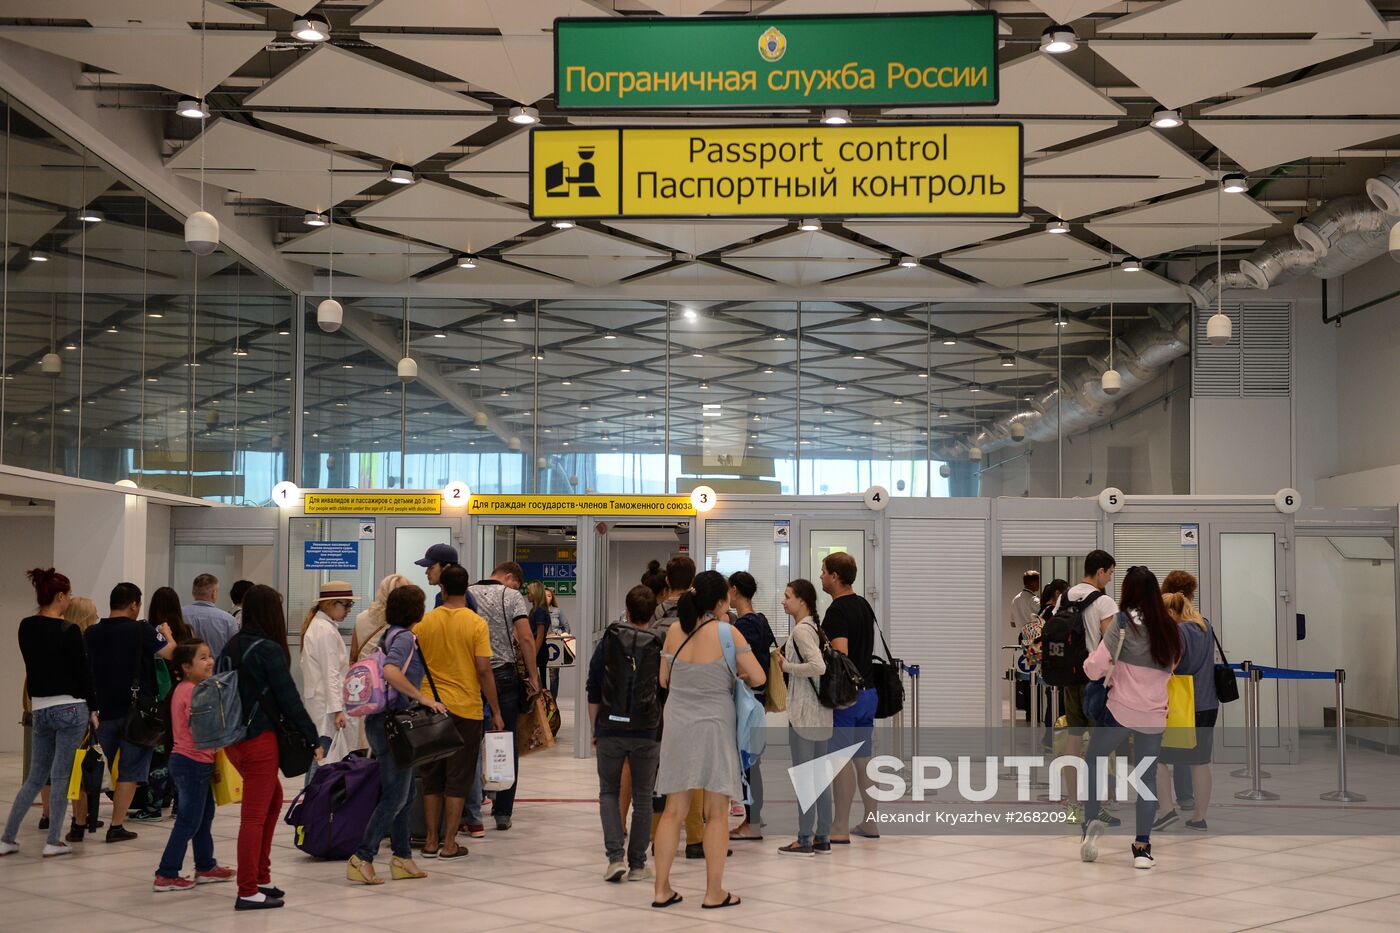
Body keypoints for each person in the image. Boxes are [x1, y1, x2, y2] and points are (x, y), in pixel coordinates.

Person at [652, 570, 765, 910]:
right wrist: (735, 674)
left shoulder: (674, 632)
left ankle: (661, 889)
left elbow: (663, 680)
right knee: (716, 814)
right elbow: (758, 677)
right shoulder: (727, 633)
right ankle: (714, 892)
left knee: (673, 811)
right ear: (719, 601)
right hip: (715, 726)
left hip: (677, 725)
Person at [222, 585, 322, 910]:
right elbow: (288, 698)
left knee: (274, 799)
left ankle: (261, 877)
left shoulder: (232, 645)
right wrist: (312, 736)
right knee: (253, 815)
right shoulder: (268, 649)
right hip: (258, 741)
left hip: (234, 740)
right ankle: (247, 888)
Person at [1080, 566, 1181, 870]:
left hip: (1120, 712)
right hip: (1153, 715)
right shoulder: (1170, 626)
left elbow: (1096, 666)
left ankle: (1091, 820)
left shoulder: (1123, 623)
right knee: (1147, 779)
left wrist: (1092, 667)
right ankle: (1142, 847)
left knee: (1094, 758)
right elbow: (1175, 662)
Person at [348, 584, 444, 885]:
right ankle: (362, 857)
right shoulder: (403, 637)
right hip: (393, 724)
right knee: (395, 796)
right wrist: (423, 698)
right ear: (416, 610)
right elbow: (390, 671)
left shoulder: (388, 633)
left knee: (406, 792)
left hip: (382, 721)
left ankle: (402, 857)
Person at [1, 569, 96, 859]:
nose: (68, 601)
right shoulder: (70, 632)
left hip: (40, 708)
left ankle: (7, 838)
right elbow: (83, 676)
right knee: (61, 774)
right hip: (70, 708)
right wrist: (93, 709)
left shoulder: (25, 626)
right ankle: (53, 840)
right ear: (59, 596)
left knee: (36, 776)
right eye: (67, 596)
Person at [412, 566, 503, 861]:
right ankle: (450, 843)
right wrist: (497, 711)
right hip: (466, 709)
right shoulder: (476, 624)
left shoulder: (424, 623)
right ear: (466, 590)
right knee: (459, 778)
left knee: (431, 777)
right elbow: (483, 670)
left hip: (430, 709)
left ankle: (429, 841)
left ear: (443, 590)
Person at [85, 581, 174, 844]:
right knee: (130, 771)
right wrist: (167, 634)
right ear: (134, 604)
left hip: (101, 712)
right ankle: (116, 825)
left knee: (93, 768)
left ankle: (82, 822)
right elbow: (172, 654)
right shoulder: (141, 630)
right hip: (136, 713)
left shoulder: (91, 633)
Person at [588, 584, 662, 883]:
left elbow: (593, 686)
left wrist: (596, 727)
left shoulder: (608, 641)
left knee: (608, 791)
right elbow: (665, 688)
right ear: (652, 612)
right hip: (646, 729)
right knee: (643, 798)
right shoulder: (659, 642)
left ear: (627, 610)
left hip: (610, 726)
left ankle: (614, 858)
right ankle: (638, 864)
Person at [153, 640, 236, 891]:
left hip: (192, 761)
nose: (210, 661)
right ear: (186, 667)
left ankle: (205, 866)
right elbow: (206, 725)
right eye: (202, 658)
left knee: (204, 815)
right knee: (189, 821)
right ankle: (166, 873)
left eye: (209, 656)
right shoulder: (192, 691)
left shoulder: (186, 688)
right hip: (192, 762)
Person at [466, 561, 540, 833]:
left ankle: (471, 808)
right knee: (504, 741)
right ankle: (502, 811)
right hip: (502, 676)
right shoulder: (511, 596)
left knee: (471, 743)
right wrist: (533, 676)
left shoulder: (466, 592)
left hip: (470, 677)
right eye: (517, 584)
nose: (517, 589)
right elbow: (526, 638)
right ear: (509, 577)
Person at [820, 551, 882, 842]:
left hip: (847, 696)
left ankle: (840, 827)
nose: (821, 576)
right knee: (863, 758)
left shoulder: (837, 610)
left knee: (841, 759)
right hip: (869, 693)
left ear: (834, 576)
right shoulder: (864, 605)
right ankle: (871, 823)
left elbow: (841, 654)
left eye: (823, 572)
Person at [1058, 550, 1120, 823]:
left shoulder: (1065, 596)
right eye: (1109, 573)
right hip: (1095, 681)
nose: (1109, 579)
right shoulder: (1104, 601)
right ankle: (1095, 808)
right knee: (1097, 746)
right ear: (1100, 571)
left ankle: (1072, 804)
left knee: (1073, 740)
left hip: (1071, 678)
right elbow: (1112, 641)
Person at [1154, 572, 1218, 833]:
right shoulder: (1205, 624)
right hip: (1207, 703)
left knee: (1156, 758)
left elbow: (1169, 665)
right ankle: (1199, 817)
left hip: (1179, 705)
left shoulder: (1177, 630)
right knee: (1200, 762)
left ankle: (1167, 809)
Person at [775, 579, 833, 856]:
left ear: (802, 601)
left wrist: (786, 666)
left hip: (803, 714)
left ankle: (804, 838)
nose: (783, 601)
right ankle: (822, 836)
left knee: (806, 777)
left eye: (787, 597)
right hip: (821, 714)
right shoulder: (816, 629)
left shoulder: (801, 631)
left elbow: (818, 667)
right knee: (820, 776)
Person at [135, 585, 193, 821]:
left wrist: (166, 635)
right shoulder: (187, 631)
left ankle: (154, 805)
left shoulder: (150, 631)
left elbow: (174, 656)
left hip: (160, 702)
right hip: (183, 699)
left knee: (159, 755)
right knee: (180, 750)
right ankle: (181, 804)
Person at [727, 571, 773, 843]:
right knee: (752, 760)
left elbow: (742, 666)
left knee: (747, 763)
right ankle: (755, 815)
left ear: (734, 590)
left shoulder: (742, 626)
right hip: (758, 699)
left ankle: (752, 822)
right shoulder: (762, 621)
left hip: (745, 700)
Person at [299, 581, 354, 784]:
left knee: (320, 760)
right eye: (345, 604)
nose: (348, 610)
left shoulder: (322, 626)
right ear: (329, 603)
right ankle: (311, 808)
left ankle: (311, 807)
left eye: (350, 605)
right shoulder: (324, 630)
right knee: (321, 761)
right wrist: (337, 710)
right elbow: (331, 673)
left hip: (322, 704)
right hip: (326, 708)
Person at [350, 574, 413, 663]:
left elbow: (353, 656)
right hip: (393, 674)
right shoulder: (407, 622)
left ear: (381, 592)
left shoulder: (361, 617)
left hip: (365, 673)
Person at [182, 573, 238, 657]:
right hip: (217, 669)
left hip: (186, 668)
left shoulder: (179, 614)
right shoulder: (228, 620)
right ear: (214, 593)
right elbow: (234, 651)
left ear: (193, 592)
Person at [414, 543, 476, 611]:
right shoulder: (462, 595)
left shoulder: (454, 599)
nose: (426, 572)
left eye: (431, 567)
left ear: (446, 568)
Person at [527, 581, 551, 693]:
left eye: (529, 593)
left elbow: (540, 635)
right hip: (539, 648)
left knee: (540, 684)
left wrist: (533, 654)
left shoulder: (539, 611)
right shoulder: (537, 610)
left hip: (539, 649)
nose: (528, 595)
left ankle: (543, 708)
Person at [546, 587, 569, 699]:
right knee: (539, 674)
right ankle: (542, 702)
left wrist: (558, 635)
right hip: (541, 644)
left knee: (553, 676)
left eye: (549, 596)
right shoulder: (536, 611)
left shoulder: (557, 611)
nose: (547, 598)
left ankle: (553, 701)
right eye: (544, 595)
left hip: (554, 645)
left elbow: (567, 628)